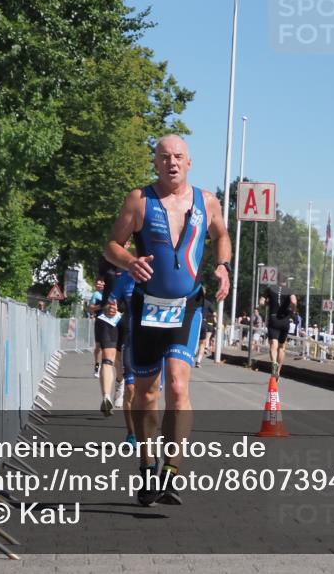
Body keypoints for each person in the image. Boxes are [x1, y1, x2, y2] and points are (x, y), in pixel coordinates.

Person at [105, 134, 231, 506]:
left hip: (187, 304)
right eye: (164, 157)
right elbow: (111, 245)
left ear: (189, 162)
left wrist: (222, 266)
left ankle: (171, 471)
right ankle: (147, 466)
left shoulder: (207, 201)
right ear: (155, 162)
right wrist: (129, 261)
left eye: (178, 156)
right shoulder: (139, 200)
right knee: (146, 393)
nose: (171, 162)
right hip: (147, 307)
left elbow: (221, 234)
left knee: (178, 387)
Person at [109, 268, 138, 445]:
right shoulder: (126, 277)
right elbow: (110, 303)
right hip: (130, 339)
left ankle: (147, 434)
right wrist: (110, 308)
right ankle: (132, 434)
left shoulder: (163, 273)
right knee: (131, 389)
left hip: (155, 342)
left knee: (151, 394)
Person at [95, 297, 126, 416]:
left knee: (119, 361)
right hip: (108, 318)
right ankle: (106, 397)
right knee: (107, 359)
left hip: (127, 317)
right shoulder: (111, 278)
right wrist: (105, 306)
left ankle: (119, 386)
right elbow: (104, 294)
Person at [260, 282, 297, 378]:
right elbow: (293, 302)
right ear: (286, 281)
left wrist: (269, 303)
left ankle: (274, 364)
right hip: (285, 320)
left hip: (273, 318)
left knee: (273, 345)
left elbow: (261, 302)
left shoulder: (270, 288)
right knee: (282, 347)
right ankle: (278, 371)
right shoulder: (289, 290)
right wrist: (293, 311)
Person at [89, 277, 107, 377]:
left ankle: (108, 366)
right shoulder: (96, 294)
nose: (99, 284)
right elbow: (90, 308)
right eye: (97, 283)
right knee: (99, 346)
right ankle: (97, 366)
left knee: (109, 347)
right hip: (100, 321)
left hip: (112, 322)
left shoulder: (112, 292)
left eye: (101, 282)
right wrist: (101, 306)